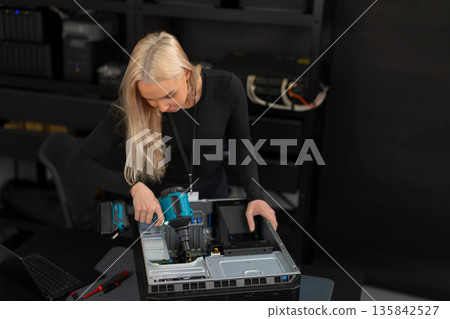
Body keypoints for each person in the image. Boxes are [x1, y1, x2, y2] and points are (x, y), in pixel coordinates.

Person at [68, 31, 277, 232]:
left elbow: (241, 146)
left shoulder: (226, 87)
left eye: (170, 94)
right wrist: (132, 187)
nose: (162, 107)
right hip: (156, 206)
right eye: (150, 99)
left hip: (213, 195)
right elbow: (79, 162)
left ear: (186, 73)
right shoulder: (132, 105)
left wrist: (256, 194)